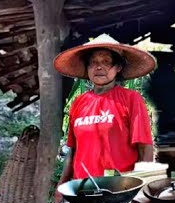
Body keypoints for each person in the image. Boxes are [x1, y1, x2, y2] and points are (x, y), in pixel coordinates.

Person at [53, 39, 157, 193]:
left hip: (118, 189)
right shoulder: (79, 103)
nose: (99, 66)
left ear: (118, 68)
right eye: (93, 62)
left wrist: (139, 189)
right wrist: (61, 187)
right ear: (87, 68)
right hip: (82, 189)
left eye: (106, 62)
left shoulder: (131, 99)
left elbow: (145, 148)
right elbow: (73, 150)